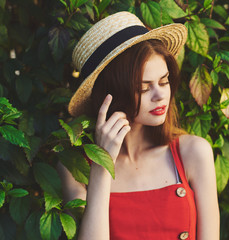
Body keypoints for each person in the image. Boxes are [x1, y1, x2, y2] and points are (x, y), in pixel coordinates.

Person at [57, 11, 219, 240]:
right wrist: (103, 164)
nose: (160, 95)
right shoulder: (75, 167)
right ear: (110, 94)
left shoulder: (192, 153)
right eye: (143, 88)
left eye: (164, 81)